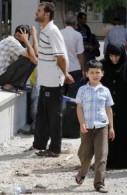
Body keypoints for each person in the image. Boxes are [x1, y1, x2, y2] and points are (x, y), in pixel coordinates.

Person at [31, 2, 74, 157]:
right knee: (42, 115)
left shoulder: (53, 31)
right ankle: (39, 144)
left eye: (39, 10)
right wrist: (33, 37)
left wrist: (66, 74)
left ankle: (55, 149)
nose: (36, 13)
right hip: (45, 81)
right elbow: (39, 53)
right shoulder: (45, 30)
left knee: (54, 116)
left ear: (47, 14)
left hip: (53, 82)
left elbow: (60, 56)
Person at [75, 60, 115, 193]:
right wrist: (81, 123)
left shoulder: (105, 90)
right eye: (91, 72)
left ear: (102, 73)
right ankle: (83, 170)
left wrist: (111, 127)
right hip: (86, 127)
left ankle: (99, 183)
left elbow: (108, 109)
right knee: (84, 154)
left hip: (102, 126)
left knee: (102, 155)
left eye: (97, 72)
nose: (95, 75)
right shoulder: (82, 90)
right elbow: (79, 108)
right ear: (86, 74)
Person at [0, 24, 38, 93]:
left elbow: (35, 53)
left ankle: (19, 85)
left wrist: (34, 35)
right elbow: (34, 59)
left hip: (2, 76)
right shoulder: (12, 42)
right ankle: (10, 85)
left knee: (30, 59)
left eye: (27, 38)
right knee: (27, 60)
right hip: (1, 77)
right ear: (17, 35)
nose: (25, 42)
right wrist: (26, 40)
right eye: (24, 39)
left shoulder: (15, 42)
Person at [60, 11, 85, 96]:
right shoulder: (78, 35)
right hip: (75, 69)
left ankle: (60, 109)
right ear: (76, 22)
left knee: (60, 95)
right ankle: (70, 109)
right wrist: (83, 69)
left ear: (65, 22)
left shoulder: (59, 33)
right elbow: (80, 54)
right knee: (73, 96)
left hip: (61, 69)